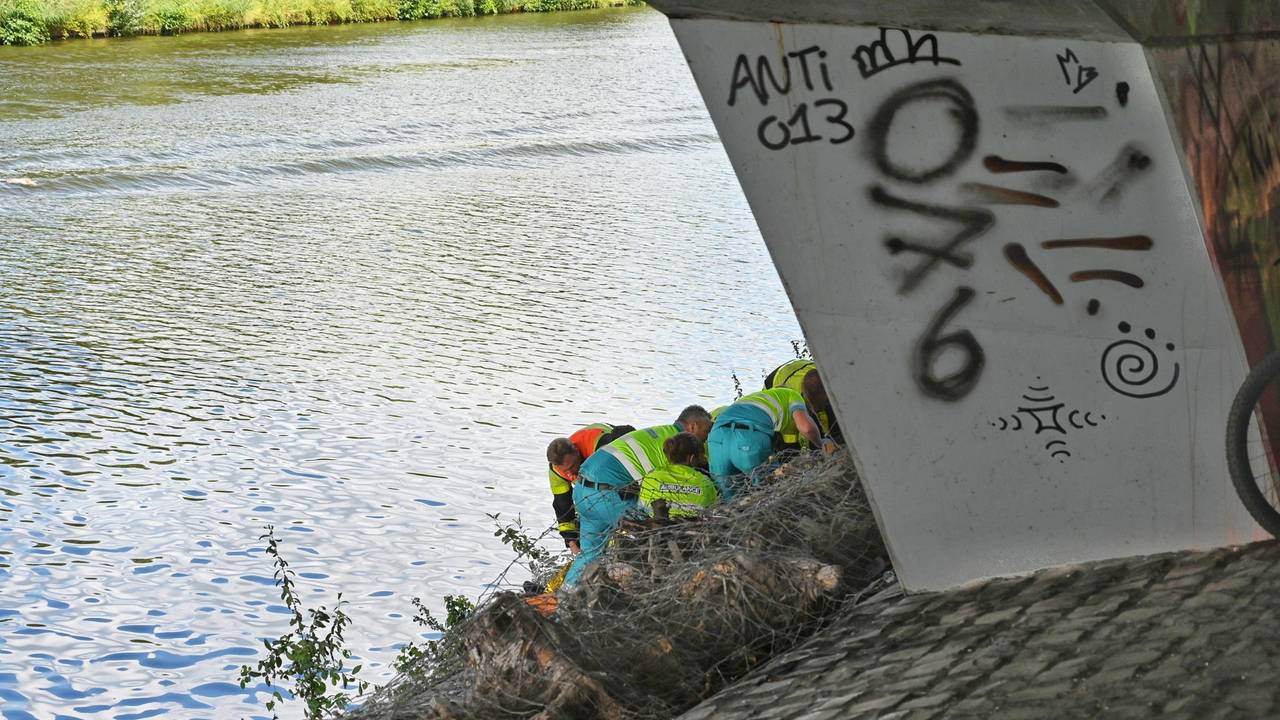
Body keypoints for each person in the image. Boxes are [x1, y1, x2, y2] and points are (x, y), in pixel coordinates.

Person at [561, 405, 714, 587]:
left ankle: (565, 596)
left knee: (590, 554)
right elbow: (668, 491)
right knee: (656, 530)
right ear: (693, 427)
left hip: (582, 490)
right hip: (607, 494)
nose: (708, 436)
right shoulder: (672, 445)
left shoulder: (659, 433)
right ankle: (659, 586)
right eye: (707, 430)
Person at [707, 387, 830, 498]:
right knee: (769, 492)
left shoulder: (756, 398)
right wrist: (821, 444)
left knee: (731, 498)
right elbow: (806, 428)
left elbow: (790, 446)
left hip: (716, 438)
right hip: (748, 438)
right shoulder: (792, 394)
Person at [545, 423, 633, 554]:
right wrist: (571, 540)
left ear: (576, 450)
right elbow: (562, 505)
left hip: (617, 464)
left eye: (573, 465)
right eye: (566, 471)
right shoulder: (556, 471)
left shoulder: (600, 446)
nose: (572, 473)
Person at [638, 432, 719, 519]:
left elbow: (640, 511)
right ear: (691, 458)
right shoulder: (705, 482)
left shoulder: (651, 477)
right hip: (691, 530)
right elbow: (713, 512)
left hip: (654, 530)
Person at [763, 359, 843, 446]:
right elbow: (807, 429)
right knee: (791, 439)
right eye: (817, 405)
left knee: (834, 420)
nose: (820, 408)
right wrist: (819, 443)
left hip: (807, 372)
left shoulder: (832, 381)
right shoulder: (793, 398)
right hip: (776, 387)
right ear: (808, 398)